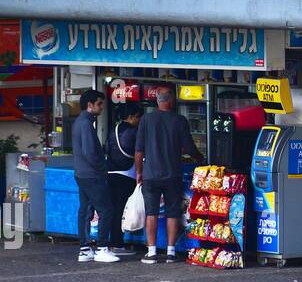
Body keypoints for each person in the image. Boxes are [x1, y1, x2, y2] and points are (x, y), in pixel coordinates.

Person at [134, 87, 205, 264]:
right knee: (173, 213)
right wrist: (201, 159)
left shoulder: (146, 119)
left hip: (150, 174)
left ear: (158, 100)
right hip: (172, 174)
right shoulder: (179, 120)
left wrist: (139, 172)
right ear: (170, 100)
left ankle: (151, 252)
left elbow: (139, 151)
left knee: (151, 213)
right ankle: (171, 252)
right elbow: (189, 147)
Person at [72, 89, 120, 263]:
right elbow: (90, 152)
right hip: (92, 175)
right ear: (89, 105)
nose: (102, 108)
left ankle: (85, 249)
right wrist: (102, 168)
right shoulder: (86, 124)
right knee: (106, 210)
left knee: (85, 210)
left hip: (82, 173)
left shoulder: (80, 122)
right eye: (99, 104)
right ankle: (101, 248)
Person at [104, 102, 142, 257]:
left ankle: (112, 242)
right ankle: (117, 244)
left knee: (113, 210)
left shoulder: (114, 129)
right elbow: (139, 152)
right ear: (131, 117)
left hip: (110, 172)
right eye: (139, 117)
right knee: (121, 209)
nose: (140, 120)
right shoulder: (134, 132)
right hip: (126, 174)